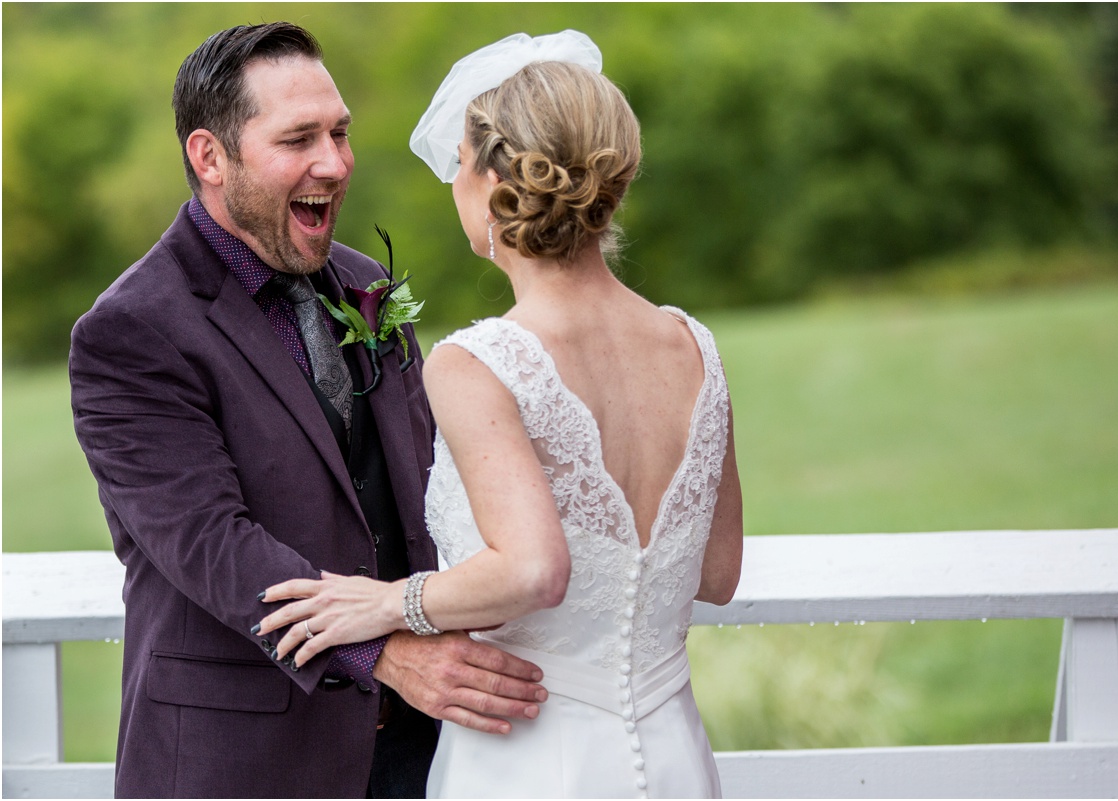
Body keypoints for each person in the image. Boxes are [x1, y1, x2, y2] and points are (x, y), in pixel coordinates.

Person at [258, 30, 744, 798]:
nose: (453, 181)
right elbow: (717, 573)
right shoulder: (693, 345)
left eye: (457, 161)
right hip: (674, 746)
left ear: (490, 178)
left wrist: (387, 603)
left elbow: (532, 568)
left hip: (531, 753)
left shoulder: (482, 361)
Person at [68, 21, 548, 798]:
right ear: (210, 157)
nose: (334, 162)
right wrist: (387, 653)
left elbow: (424, 490)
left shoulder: (366, 283)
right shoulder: (131, 330)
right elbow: (212, 545)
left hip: (419, 753)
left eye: (340, 132)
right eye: (299, 138)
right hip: (243, 761)